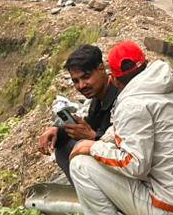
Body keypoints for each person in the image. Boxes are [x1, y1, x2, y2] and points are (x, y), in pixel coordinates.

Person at [68, 41, 173, 215]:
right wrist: (99, 142)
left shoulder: (132, 103)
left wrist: (92, 148)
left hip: (170, 213)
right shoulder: (162, 89)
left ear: (113, 78)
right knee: (97, 155)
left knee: (80, 165)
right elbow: (120, 131)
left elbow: (134, 165)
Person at [36, 45, 118, 180]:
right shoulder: (98, 98)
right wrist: (57, 130)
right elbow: (90, 127)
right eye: (75, 81)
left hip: (130, 172)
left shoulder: (120, 97)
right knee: (62, 144)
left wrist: (93, 137)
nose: (81, 86)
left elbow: (127, 146)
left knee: (79, 150)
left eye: (86, 77)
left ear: (101, 69)